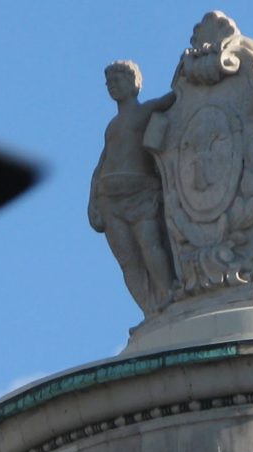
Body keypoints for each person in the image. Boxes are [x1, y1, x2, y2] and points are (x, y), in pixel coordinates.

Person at [88, 61, 175, 314]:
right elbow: (102, 163)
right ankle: (151, 309)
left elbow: (177, 96)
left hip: (141, 194)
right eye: (109, 82)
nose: (113, 86)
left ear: (135, 83)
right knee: (128, 260)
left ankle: (169, 296)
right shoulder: (111, 126)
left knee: (151, 246)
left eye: (119, 80)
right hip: (109, 198)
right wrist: (92, 202)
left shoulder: (147, 110)